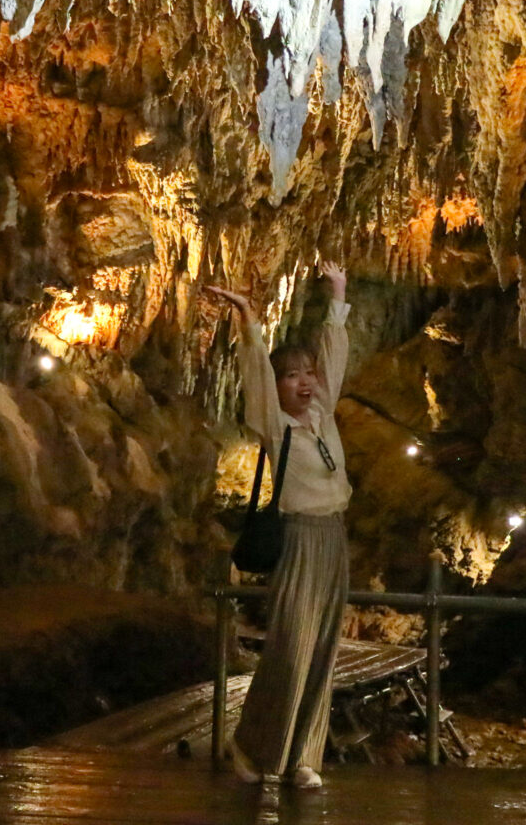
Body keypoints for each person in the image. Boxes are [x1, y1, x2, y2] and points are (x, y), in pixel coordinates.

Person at [202, 260, 352, 790]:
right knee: (290, 646)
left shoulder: (323, 414)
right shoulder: (276, 423)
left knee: (324, 648)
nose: (306, 381)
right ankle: (253, 749)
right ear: (280, 386)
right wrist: (248, 320)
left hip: (335, 536)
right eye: (293, 375)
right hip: (300, 536)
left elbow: (334, 357)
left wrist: (338, 297)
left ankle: (303, 757)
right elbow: (254, 374)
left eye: (307, 372)